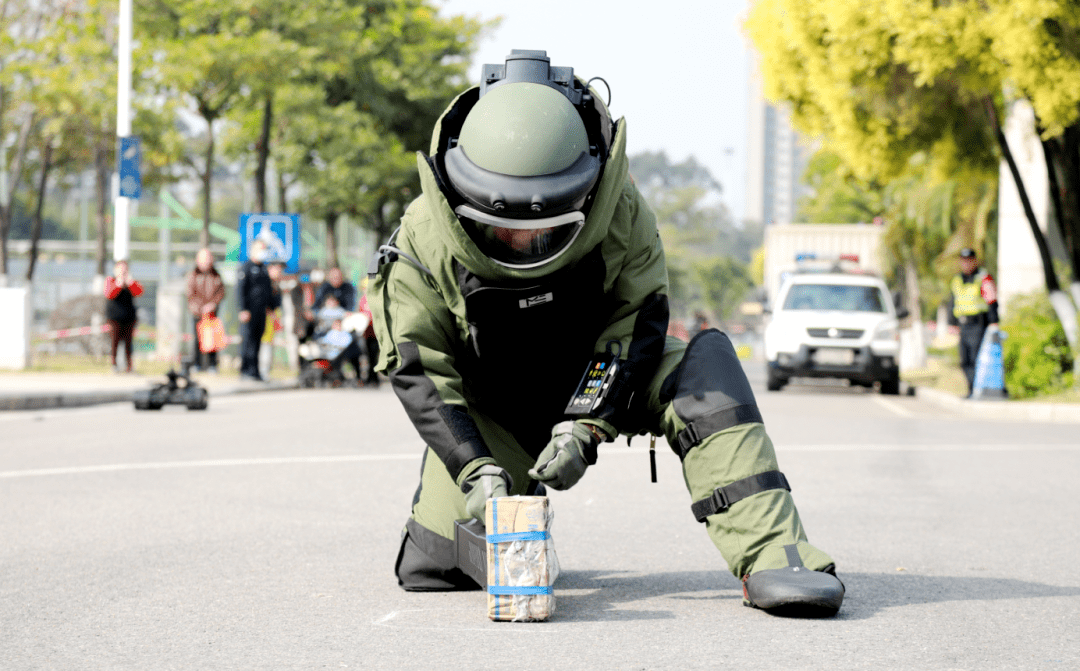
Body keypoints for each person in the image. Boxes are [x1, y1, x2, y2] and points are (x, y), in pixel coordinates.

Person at [368, 50, 844, 616]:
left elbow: (636, 323)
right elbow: (421, 369)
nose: (524, 245)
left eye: (545, 233)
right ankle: (509, 484)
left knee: (706, 370)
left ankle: (774, 553)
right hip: (491, 406)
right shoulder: (421, 238)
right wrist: (474, 467)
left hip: (600, 374)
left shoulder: (620, 211)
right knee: (437, 567)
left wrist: (586, 426)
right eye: (503, 232)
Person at [950, 247, 999, 397]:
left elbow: (992, 300)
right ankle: (971, 389)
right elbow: (952, 301)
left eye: (969, 260)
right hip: (963, 325)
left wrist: (994, 321)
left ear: (975, 261)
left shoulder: (983, 277)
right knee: (964, 360)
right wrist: (951, 323)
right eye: (964, 261)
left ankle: (977, 391)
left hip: (978, 324)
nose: (966, 264)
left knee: (976, 358)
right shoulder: (957, 279)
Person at [237, 239, 280, 381]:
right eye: (260, 249)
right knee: (248, 340)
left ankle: (255, 371)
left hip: (261, 312)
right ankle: (245, 370)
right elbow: (241, 290)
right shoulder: (246, 268)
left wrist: (272, 307)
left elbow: (268, 290)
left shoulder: (263, 269)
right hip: (249, 311)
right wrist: (243, 309)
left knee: (257, 341)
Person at [314, 267, 362, 381]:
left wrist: (342, 321)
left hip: (344, 327)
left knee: (353, 348)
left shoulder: (348, 288)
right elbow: (316, 308)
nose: (336, 279)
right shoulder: (325, 288)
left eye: (338, 277)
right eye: (333, 277)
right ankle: (328, 374)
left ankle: (358, 376)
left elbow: (350, 308)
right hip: (326, 330)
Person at [185, 248, 226, 373]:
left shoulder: (216, 275)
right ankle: (197, 364)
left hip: (212, 314)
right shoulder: (193, 275)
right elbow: (190, 294)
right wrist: (199, 309)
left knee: (213, 340)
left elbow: (221, 292)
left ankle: (212, 365)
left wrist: (212, 305)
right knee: (197, 340)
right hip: (198, 314)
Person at [104, 259, 143, 373]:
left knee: (128, 344)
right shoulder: (111, 280)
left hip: (129, 317)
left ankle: (129, 366)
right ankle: (114, 364)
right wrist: (118, 284)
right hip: (114, 317)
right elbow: (109, 294)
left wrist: (130, 283)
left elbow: (139, 292)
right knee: (114, 342)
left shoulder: (131, 283)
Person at [355, 278, 380, 387]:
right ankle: (370, 377)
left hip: (376, 332)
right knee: (368, 356)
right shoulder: (362, 300)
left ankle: (374, 378)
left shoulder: (376, 299)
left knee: (374, 356)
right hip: (366, 332)